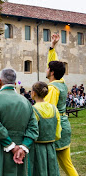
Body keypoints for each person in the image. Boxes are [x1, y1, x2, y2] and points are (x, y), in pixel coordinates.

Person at [0, 68, 38, 176]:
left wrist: (12, 147)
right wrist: (23, 147)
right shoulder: (25, 101)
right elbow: (33, 128)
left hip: (0, 150)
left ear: (0, 81)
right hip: (21, 151)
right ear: (15, 82)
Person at [44, 33, 78, 176]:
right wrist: (53, 46)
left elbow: (47, 111)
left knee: (48, 165)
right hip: (65, 126)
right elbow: (54, 64)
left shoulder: (52, 88)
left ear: (51, 73)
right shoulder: (61, 82)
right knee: (67, 164)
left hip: (56, 130)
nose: (46, 69)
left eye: (48, 68)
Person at [31, 81, 62, 176]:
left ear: (34, 93)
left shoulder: (33, 109)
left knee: (39, 171)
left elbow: (32, 131)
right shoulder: (54, 108)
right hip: (51, 147)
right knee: (51, 171)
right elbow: (58, 132)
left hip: (37, 149)